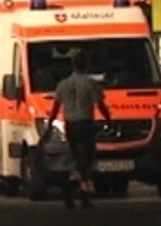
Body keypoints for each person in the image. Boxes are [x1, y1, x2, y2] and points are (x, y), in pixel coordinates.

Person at [48, 53, 113, 209]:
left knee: (76, 157)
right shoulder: (90, 83)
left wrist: (50, 123)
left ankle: (77, 193)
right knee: (86, 161)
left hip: (70, 125)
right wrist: (108, 119)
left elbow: (56, 107)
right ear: (86, 65)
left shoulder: (63, 84)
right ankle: (74, 186)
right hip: (85, 124)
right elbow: (100, 104)